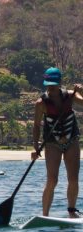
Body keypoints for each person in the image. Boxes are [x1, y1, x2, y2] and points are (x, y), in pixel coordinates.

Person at [32, 67, 83, 218]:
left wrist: (80, 91)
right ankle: (45, 215)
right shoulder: (41, 103)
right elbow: (36, 126)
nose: (51, 88)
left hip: (71, 141)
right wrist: (36, 147)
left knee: (73, 179)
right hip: (52, 143)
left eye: (53, 84)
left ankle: (71, 212)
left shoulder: (70, 96)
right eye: (48, 84)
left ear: (60, 83)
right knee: (52, 180)